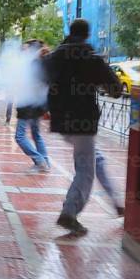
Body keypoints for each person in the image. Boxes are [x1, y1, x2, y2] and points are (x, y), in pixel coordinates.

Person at [43, 19, 123, 235]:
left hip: (62, 121)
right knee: (85, 169)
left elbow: (38, 76)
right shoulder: (91, 58)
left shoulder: (56, 56)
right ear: (87, 34)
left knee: (94, 159)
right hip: (83, 122)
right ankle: (69, 212)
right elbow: (115, 88)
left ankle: (117, 200)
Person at [14, 39, 50, 173]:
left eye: (25, 49)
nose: (22, 51)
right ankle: (45, 161)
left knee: (20, 136)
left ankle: (40, 160)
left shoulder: (34, 63)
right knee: (36, 134)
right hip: (37, 104)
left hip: (28, 104)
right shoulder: (40, 62)